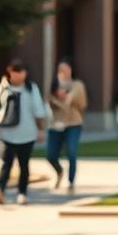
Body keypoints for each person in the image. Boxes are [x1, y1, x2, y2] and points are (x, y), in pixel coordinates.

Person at [0, 59, 46, 205]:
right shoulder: (3, 88)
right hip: (7, 134)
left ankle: (22, 193)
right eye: (14, 72)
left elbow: (38, 111)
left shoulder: (31, 88)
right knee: (6, 162)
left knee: (24, 164)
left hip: (27, 134)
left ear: (25, 73)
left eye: (20, 72)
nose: (17, 75)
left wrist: (41, 130)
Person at [45, 58, 87, 193]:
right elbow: (47, 103)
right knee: (51, 155)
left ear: (71, 69)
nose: (63, 71)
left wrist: (69, 99)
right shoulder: (53, 86)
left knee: (71, 151)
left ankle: (71, 181)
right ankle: (59, 171)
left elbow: (83, 105)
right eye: (60, 69)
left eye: (66, 68)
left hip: (74, 123)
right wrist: (56, 98)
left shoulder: (77, 85)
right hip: (55, 125)